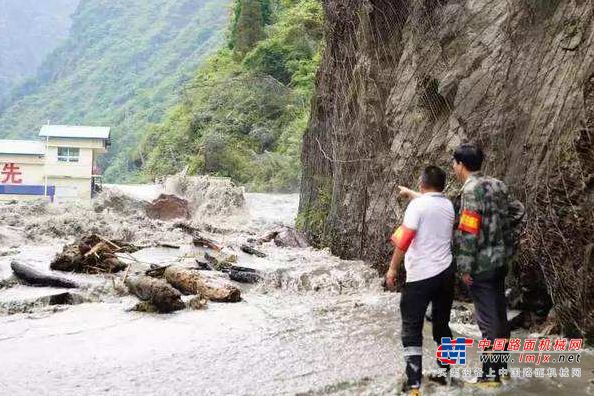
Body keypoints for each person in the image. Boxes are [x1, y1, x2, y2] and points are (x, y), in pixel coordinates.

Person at [452, 143, 525, 386]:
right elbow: (518, 211)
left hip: (481, 265)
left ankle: (489, 375)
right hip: (501, 260)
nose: (454, 167)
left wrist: (463, 267)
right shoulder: (498, 185)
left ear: (461, 165)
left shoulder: (471, 191)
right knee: (500, 316)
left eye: (454, 163)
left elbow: (469, 231)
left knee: (487, 321)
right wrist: (497, 232)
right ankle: (502, 370)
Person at [385, 166, 455, 394]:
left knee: (412, 328)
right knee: (443, 326)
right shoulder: (447, 205)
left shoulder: (417, 206)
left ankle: (414, 383)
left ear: (422, 184)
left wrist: (392, 269)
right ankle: (448, 375)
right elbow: (429, 203)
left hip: (421, 275)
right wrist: (410, 193)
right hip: (446, 273)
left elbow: (404, 240)